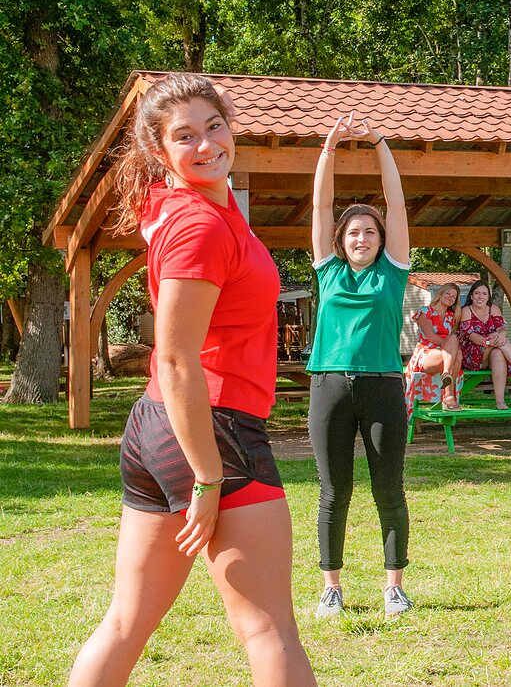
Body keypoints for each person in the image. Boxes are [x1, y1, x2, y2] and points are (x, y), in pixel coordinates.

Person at [69, 73, 316, 687]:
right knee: (268, 628)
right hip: (212, 427)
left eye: (215, 126)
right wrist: (208, 476)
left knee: (127, 621)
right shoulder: (198, 227)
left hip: (159, 426)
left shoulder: (202, 207)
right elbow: (176, 356)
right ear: (160, 151)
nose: (206, 145)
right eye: (185, 136)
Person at [307, 114, 414, 618]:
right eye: (353, 232)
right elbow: (321, 204)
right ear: (340, 239)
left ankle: (394, 586)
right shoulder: (328, 273)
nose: (362, 238)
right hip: (329, 386)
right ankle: (332, 587)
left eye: (370, 232)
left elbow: (395, 203)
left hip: (382, 389)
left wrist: (378, 143)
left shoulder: (392, 274)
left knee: (388, 487)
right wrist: (329, 148)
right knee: (334, 491)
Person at [457, 281, 511, 410]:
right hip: (472, 356)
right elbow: (471, 336)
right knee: (500, 343)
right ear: (471, 296)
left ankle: (500, 401)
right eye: (477, 293)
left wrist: (501, 333)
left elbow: (500, 327)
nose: (480, 296)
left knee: (498, 353)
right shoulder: (466, 310)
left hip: (492, 352)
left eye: (484, 294)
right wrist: (489, 341)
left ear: (488, 297)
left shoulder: (493, 309)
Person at [405, 282, 462, 413]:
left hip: (445, 354)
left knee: (457, 353)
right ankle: (448, 395)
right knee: (454, 345)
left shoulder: (451, 316)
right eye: (448, 293)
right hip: (426, 352)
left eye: (454, 296)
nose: (450, 297)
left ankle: (448, 394)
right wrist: (450, 345)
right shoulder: (425, 311)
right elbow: (430, 336)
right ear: (441, 293)